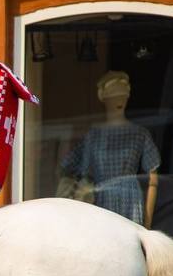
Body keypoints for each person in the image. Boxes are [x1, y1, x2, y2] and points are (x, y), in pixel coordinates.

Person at [57, 71, 160, 226]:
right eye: (114, 96)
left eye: (122, 95)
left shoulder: (140, 133)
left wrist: (147, 224)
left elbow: (153, 179)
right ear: (104, 99)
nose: (119, 100)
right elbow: (68, 169)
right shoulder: (94, 135)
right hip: (101, 198)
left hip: (129, 199)